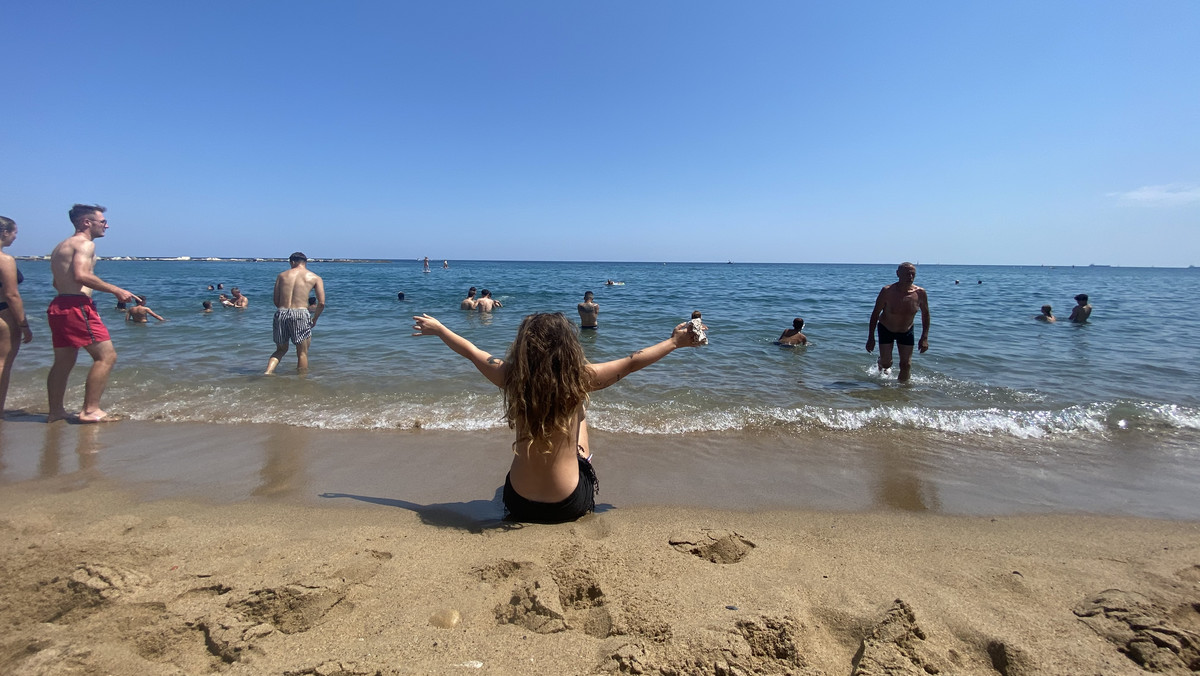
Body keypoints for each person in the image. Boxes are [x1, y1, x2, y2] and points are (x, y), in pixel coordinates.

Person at [411, 312, 704, 523]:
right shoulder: (581, 378)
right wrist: (675, 342)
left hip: (517, 505)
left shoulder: (510, 376)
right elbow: (631, 363)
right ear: (569, 347)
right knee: (581, 413)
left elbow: (472, 352)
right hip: (569, 505)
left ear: (523, 346)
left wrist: (439, 329)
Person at [46, 204, 135, 423]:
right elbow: (81, 275)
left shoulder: (61, 246)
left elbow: (57, 282)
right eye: (102, 221)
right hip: (77, 306)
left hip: (59, 305)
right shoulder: (85, 244)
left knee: (63, 362)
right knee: (106, 356)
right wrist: (117, 290)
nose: (107, 225)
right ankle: (90, 410)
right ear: (87, 222)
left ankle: (56, 411)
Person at [866, 262, 930, 383]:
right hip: (886, 329)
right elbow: (875, 314)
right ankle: (881, 362)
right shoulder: (887, 291)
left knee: (906, 365)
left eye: (913, 274)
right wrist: (871, 338)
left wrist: (924, 338)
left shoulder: (920, 293)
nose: (910, 277)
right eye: (907, 274)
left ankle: (902, 393)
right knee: (886, 364)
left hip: (906, 330)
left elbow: (925, 315)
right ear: (898, 274)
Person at [265, 252, 325, 374]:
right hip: (300, 313)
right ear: (305, 262)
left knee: (280, 350)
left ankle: (268, 372)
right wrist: (314, 319)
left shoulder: (281, 276)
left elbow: (276, 300)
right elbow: (322, 303)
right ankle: (301, 382)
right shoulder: (314, 277)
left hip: (281, 312)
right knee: (302, 353)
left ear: (292, 262)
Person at [0, 216, 34, 414]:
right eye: (14, 233)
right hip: (3, 313)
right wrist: (23, 325)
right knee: (3, 362)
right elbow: (12, 295)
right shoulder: (5, 260)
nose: (15, 238)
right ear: (4, 233)